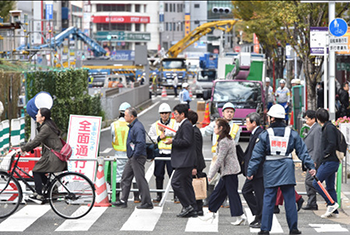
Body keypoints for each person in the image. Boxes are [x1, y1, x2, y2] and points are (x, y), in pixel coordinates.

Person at [247, 104, 316, 235]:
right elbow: (303, 152)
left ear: (272, 119)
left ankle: (265, 229)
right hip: (287, 167)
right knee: (289, 200)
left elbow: (256, 156)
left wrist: (251, 171)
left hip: (270, 168)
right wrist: (310, 166)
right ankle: (293, 229)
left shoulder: (265, 134)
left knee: (268, 200)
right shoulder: (292, 133)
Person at [19, 108, 67, 204]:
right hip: (53, 156)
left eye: (38, 114)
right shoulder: (47, 126)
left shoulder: (46, 128)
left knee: (36, 170)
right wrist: (27, 149)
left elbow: (36, 140)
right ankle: (52, 189)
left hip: (53, 157)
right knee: (40, 172)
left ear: (43, 117)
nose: (36, 115)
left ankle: (39, 195)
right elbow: (38, 142)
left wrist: (23, 149)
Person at [203, 118, 245, 225]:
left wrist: (210, 174)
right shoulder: (226, 139)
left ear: (221, 128)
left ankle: (240, 216)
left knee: (232, 194)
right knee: (219, 193)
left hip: (229, 171)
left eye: (215, 126)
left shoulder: (224, 142)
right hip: (227, 171)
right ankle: (211, 212)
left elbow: (219, 159)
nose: (214, 128)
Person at [201, 102, 241, 207]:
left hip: (228, 159)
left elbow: (235, 144)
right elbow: (204, 131)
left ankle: (224, 200)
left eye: (231, 112)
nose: (229, 114)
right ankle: (208, 199)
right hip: (216, 156)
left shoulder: (237, 127)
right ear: (222, 113)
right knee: (212, 179)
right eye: (227, 111)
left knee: (225, 180)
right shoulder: (216, 124)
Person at [114, 107, 153, 209]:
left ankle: (147, 202)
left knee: (140, 179)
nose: (124, 117)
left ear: (131, 117)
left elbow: (140, 143)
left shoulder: (137, 127)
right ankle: (123, 200)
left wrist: (135, 156)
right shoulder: (133, 126)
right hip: (133, 156)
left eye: (126, 115)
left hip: (137, 157)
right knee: (125, 177)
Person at [164, 104, 197, 218]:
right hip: (185, 160)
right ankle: (193, 207)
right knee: (187, 184)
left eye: (176, 114)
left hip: (184, 160)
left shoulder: (186, 125)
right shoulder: (185, 124)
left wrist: (173, 141)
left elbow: (187, 141)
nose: (174, 116)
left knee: (175, 182)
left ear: (182, 114)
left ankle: (187, 206)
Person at [148, 103, 179, 203]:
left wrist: (165, 132)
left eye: (166, 113)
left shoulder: (175, 123)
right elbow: (150, 138)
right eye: (162, 113)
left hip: (171, 153)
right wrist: (158, 138)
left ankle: (176, 196)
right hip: (160, 153)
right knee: (158, 175)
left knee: (173, 175)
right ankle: (159, 195)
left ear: (170, 113)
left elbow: (178, 134)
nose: (164, 115)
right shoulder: (155, 125)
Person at [110, 102, 140, 204]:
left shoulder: (114, 125)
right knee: (135, 174)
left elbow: (113, 136)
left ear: (119, 112)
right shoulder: (132, 124)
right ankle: (136, 197)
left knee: (119, 176)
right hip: (131, 153)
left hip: (119, 153)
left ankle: (118, 197)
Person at [312, 108, 340, 218]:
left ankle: (332, 203)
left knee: (316, 183)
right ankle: (334, 211)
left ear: (318, 119)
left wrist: (325, 154)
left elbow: (332, 143)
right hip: (331, 161)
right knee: (330, 187)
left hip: (329, 161)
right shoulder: (328, 127)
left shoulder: (328, 128)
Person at [242, 112, 264, 228]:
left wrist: (252, 171)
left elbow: (257, 156)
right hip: (253, 171)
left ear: (254, 123)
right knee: (246, 191)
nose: (245, 124)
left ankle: (261, 218)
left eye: (247, 122)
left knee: (260, 195)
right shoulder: (254, 134)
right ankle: (258, 214)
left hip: (258, 172)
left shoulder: (260, 134)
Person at [302, 110, 322, 210]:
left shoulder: (317, 129)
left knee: (309, 181)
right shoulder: (312, 128)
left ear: (313, 119)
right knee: (310, 180)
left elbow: (317, 146)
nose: (306, 120)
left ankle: (315, 199)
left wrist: (314, 160)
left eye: (307, 118)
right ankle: (312, 202)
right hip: (310, 158)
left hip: (313, 160)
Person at [188, 110, 206, 216]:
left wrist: (194, 166)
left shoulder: (194, 132)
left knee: (196, 185)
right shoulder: (194, 130)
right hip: (197, 162)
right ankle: (197, 207)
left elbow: (195, 150)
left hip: (196, 163)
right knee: (195, 185)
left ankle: (198, 208)